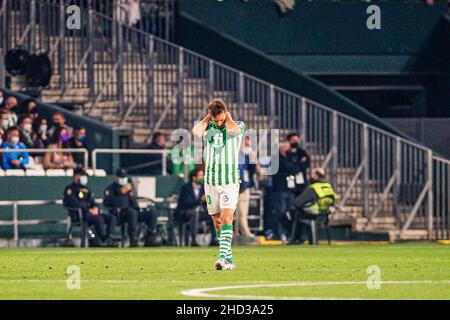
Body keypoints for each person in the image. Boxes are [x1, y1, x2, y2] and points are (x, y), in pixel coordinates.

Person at [192, 98, 245, 270]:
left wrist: (226, 117)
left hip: (229, 180)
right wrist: (209, 118)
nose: (219, 122)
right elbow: (196, 132)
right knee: (217, 222)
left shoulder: (236, 124)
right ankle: (230, 260)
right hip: (211, 181)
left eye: (221, 119)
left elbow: (234, 131)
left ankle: (222, 257)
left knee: (227, 217)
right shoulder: (208, 127)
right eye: (217, 120)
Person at [103, 168, 157, 247]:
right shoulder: (111, 188)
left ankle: (149, 235)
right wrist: (121, 193)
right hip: (120, 214)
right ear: (117, 178)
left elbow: (134, 203)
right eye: (121, 177)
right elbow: (108, 202)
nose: (123, 179)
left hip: (134, 211)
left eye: (124, 177)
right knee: (132, 213)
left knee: (152, 212)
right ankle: (133, 238)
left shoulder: (129, 188)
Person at [63, 167, 116, 247]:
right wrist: (88, 209)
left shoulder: (87, 189)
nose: (84, 178)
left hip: (91, 213)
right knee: (99, 219)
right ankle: (103, 239)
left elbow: (92, 201)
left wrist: (95, 208)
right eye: (82, 175)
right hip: (80, 214)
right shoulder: (70, 189)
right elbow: (73, 203)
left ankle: (108, 238)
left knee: (111, 218)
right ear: (76, 176)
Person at [291, 168, 338, 244]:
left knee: (293, 213)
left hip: (312, 214)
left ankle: (295, 239)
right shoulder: (328, 186)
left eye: (311, 174)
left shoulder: (314, 187)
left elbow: (297, 203)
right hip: (324, 214)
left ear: (316, 176)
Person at [175, 168, 215, 246]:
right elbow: (187, 203)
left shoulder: (204, 188)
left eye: (203, 175)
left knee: (214, 213)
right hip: (185, 213)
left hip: (199, 212)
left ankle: (214, 239)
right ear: (194, 177)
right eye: (200, 175)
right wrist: (201, 200)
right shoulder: (186, 188)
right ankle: (193, 240)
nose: (202, 177)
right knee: (194, 213)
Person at [271, 140, 301, 242]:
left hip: (289, 189)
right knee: (281, 212)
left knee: (289, 212)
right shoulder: (277, 158)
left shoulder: (289, 157)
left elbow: (296, 166)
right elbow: (291, 168)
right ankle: (280, 233)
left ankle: (289, 234)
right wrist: (296, 167)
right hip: (280, 190)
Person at [235, 136, 259, 241]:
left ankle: (244, 231)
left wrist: (252, 157)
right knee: (234, 211)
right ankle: (238, 232)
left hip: (245, 185)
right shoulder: (235, 154)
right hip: (235, 185)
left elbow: (253, 169)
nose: (248, 146)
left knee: (243, 211)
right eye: (246, 143)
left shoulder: (247, 156)